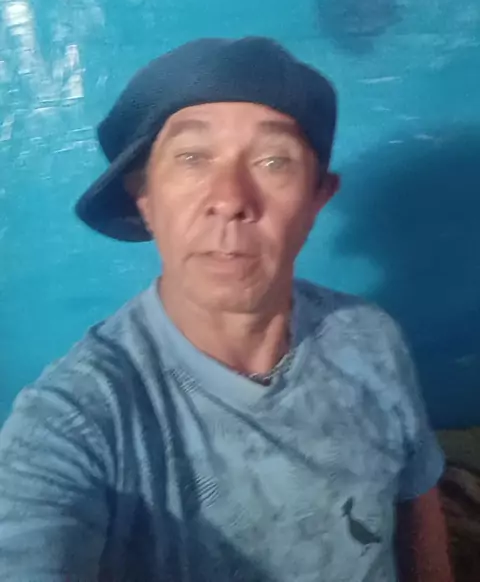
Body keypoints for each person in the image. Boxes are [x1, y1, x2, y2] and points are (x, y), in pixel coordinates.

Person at [0, 36, 453, 582]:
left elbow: (416, 503)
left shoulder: (370, 338)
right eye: (192, 158)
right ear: (145, 197)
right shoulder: (75, 423)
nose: (231, 199)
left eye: (273, 161)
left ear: (317, 199)